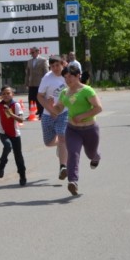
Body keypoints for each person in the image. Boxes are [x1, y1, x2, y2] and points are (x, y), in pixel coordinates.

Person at [50, 64, 103, 196]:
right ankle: (73, 182)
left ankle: (96, 156)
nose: (67, 80)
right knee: (73, 154)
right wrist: (53, 108)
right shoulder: (64, 92)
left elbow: (98, 108)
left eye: (70, 76)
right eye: (65, 77)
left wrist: (82, 116)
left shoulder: (87, 90)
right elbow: (59, 108)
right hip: (73, 129)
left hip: (90, 129)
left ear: (78, 76)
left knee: (91, 154)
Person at [0, 85, 27, 185]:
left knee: (18, 156)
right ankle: (1, 165)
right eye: (4, 94)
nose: (6, 95)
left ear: (12, 94)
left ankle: (22, 175)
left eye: (8, 93)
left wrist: (10, 114)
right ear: (1, 96)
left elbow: (21, 119)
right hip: (4, 133)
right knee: (7, 146)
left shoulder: (16, 105)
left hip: (15, 134)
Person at [37, 55, 69, 181]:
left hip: (64, 112)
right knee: (48, 142)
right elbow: (39, 96)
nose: (56, 68)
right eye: (53, 66)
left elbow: (76, 89)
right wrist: (50, 109)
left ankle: (63, 167)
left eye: (58, 65)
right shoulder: (47, 78)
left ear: (62, 64)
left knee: (62, 136)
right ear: (50, 66)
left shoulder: (67, 76)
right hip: (48, 113)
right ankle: (61, 146)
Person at [25, 46, 49, 118]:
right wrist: (26, 83)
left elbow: (46, 72)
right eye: (31, 53)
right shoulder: (29, 61)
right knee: (31, 99)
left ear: (38, 52)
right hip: (31, 83)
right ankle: (31, 113)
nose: (32, 54)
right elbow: (27, 73)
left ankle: (41, 113)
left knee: (40, 98)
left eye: (33, 52)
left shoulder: (43, 60)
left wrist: (46, 82)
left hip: (40, 83)